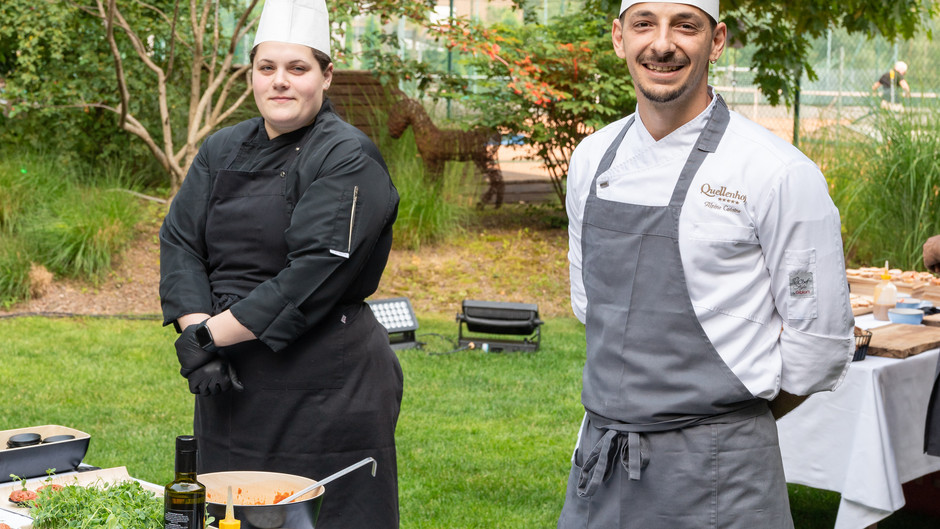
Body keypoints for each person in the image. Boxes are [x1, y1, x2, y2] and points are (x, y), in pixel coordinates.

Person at [557, 1, 854, 527]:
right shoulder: (590, 160)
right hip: (601, 466)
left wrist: (718, 428)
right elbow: (592, 308)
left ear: (716, 42)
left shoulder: (778, 173)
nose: (662, 44)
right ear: (619, 37)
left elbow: (819, 348)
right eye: (644, 23)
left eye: (685, 25)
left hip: (723, 474)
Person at [158, 0, 402, 527]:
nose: (280, 82)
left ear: (326, 75)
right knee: (229, 511)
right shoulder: (222, 148)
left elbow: (312, 274)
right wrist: (199, 337)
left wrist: (207, 338)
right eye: (267, 67)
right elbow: (180, 242)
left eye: (297, 68)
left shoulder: (347, 156)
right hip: (228, 383)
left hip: (327, 386)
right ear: (251, 74)